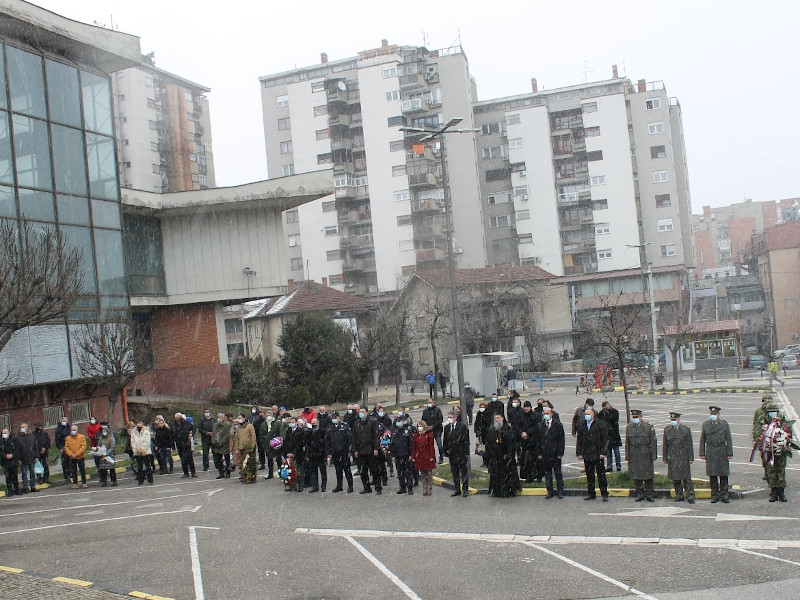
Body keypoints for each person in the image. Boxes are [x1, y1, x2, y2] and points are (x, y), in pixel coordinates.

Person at [757, 401, 792, 502]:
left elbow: (789, 434)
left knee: (781, 471)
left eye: (774, 412)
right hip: (769, 452)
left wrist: (786, 444)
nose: (773, 414)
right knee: (771, 471)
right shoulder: (763, 422)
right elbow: (758, 435)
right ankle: (773, 492)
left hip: (781, 452)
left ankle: (781, 492)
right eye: (770, 412)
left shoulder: (782, 421)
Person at [699, 405, 733, 504]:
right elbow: (702, 440)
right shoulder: (706, 425)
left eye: (715, 414)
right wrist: (702, 453)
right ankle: (715, 495)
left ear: (718, 414)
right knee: (712, 475)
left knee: (723, 475)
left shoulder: (724, 425)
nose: (713, 415)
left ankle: (724, 495)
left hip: (721, 451)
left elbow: (729, 439)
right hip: (710, 451)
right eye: (712, 414)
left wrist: (729, 452)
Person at [576, 407, 609, 501]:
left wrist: (603, 452)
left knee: (601, 475)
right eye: (585, 414)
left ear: (593, 414)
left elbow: (605, 439)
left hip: (598, 454)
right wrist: (579, 453)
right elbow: (579, 439)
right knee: (589, 475)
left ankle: (604, 493)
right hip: (587, 453)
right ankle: (591, 493)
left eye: (588, 414)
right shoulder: (582, 424)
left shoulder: (600, 424)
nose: (587, 416)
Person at [625, 409, 658, 502]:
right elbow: (627, 442)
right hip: (634, 453)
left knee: (648, 476)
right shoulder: (629, 427)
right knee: (636, 476)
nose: (635, 419)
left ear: (641, 417)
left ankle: (649, 494)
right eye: (634, 417)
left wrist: (654, 455)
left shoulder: (648, 427)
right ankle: (640, 494)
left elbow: (653, 442)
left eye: (637, 417)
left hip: (645, 453)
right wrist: (627, 455)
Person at [662, 411, 694, 503]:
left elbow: (690, 444)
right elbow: (665, 445)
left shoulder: (686, 430)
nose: (673, 421)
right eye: (672, 419)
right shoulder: (667, 430)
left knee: (686, 478)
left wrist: (691, 457)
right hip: (673, 457)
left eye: (675, 419)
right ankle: (679, 495)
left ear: (679, 419)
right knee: (675, 478)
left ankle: (690, 496)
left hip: (683, 456)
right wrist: (665, 457)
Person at [485, 414, 519, 497]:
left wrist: (503, 434)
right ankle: (497, 491)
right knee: (496, 474)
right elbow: (489, 442)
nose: (497, 420)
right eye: (495, 418)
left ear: (502, 419)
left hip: (505, 456)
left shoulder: (508, 428)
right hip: (495, 456)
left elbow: (511, 441)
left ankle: (507, 491)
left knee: (507, 474)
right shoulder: (491, 429)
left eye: (498, 418)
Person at [536, 406, 565, 499]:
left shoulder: (558, 425)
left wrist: (560, 453)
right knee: (547, 474)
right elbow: (538, 440)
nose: (546, 415)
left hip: (555, 454)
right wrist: (539, 453)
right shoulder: (540, 425)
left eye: (547, 413)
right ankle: (550, 491)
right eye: (544, 414)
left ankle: (560, 491)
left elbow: (561, 440)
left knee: (558, 473)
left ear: (551, 414)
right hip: (545, 454)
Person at [353, 407, 382, 495]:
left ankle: (378, 488)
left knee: (375, 470)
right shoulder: (356, 423)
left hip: (371, 450)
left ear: (366, 413)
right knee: (363, 471)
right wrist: (355, 450)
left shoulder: (372, 421)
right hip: (361, 451)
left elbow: (376, 436)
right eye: (360, 412)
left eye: (363, 412)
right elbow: (354, 438)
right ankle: (366, 487)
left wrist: (376, 448)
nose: (361, 413)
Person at [443, 410, 470, 497]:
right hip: (452, 454)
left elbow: (466, 440)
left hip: (461, 453)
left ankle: (465, 489)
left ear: (455, 418)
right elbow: (445, 441)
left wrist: (466, 452)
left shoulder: (462, 426)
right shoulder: (447, 428)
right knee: (455, 473)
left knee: (463, 472)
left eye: (450, 417)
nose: (449, 419)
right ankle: (457, 489)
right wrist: (445, 451)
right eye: (448, 417)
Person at [326, 411, 353, 493]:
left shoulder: (344, 426)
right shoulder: (330, 427)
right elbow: (327, 441)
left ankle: (350, 486)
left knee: (347, 469)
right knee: (338, 470)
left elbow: (350, 439)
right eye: (333, 418)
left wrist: (349, 450)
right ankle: (339, 486)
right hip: (335, 452)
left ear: (339, 418)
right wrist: (328, 452)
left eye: (336, 417)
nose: (334, 419)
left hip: (344, 451)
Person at [390, 412, 415, 495]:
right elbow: (392, 444)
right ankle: (402, 487)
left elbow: (411, 444)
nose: (398, 422)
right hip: (397, 455)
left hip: (406, 455)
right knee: (400, 473)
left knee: (408, 472)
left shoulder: (408, 431)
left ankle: (410, 488)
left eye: (399, 421)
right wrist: (392, 455)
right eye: (397, 421)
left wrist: (411, 454)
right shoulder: (394, 432)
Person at [412, 420, 436, 496]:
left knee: (428, 474)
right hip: (419, 456)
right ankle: (424, 489)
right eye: (418, 426)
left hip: (427, 456)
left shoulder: (429, 435)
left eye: (421, 426)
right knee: (422, 474)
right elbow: (414, 447)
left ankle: (429, 488)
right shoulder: (416, 436)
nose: (419, 428)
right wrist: (413, 456)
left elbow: (431, 446)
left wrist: (432, 456)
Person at [752, 394, 773, 481]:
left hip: (772, 437)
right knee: (764, 456)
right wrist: (756, 437)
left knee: (771, 455)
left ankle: (771, 472)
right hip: (762, 437)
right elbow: (756, 424)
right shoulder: (758, 411)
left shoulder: (774, 411)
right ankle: (767, 472)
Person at [233, 413, 257, 484]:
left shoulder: (250, 426)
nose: (239, 420)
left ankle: (251, 477)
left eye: (240, 418)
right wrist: (237, 448)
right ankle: (244, 476)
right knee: (242, 463)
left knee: (249, 463)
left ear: (244, 418)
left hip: (248, 448)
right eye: (238, 418)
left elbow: (253, 437)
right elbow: (237, 438)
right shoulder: (238, 428)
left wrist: (252, 446)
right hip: (241, 448)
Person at [283, 417, 306, 492]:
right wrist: (287, 452)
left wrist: (294, 453)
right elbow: (286, 442)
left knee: (299, 470)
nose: (291, 424)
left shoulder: (300, 431)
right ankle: (291, 484)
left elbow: (300, 444)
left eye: (293, 422)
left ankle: (300, 485)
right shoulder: (289, 431)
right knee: (290, 469)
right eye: (290, 422)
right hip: (289, 453)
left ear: (296, 422)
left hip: (298, 454)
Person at [598, 401, 622, 472]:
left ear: (608, 405)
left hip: (614, 435)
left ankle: (618, 466)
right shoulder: (601, 413)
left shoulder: (615, 411)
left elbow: (615, 420)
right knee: (608, 452)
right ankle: (609, 466)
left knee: (616, 451)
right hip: (606, 435)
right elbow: (600, 422)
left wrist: (608, 414)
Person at [518, 400, 539, 482]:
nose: (526, 408)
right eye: (525, 407)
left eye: (527, 407)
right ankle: (525, 475)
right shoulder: (521, 415)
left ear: (530, 407)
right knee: (524, 459)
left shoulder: (535, 416)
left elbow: (536, 427)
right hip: (524, 441)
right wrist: (522, 433)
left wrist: (527, 433)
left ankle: (532, 476)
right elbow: (518, 426)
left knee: (532, 460)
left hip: (532, 441)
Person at [171, 412, 196, 478]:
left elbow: (193, 428)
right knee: (183, 459)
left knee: (190, 458)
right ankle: (185, 473)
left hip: (187, 442)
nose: (179, 419)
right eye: (178, 418)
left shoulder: (186, 423)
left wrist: (191, 434)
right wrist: (173, 445)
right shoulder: (173, 425)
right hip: (179, 443)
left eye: (180, 417)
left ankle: (193, 472)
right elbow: (171, 435)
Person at [129, 421, 153, 485]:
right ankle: (140, 480)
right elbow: (132, 442)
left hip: (146, 452)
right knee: (139, 467)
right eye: (138, 425)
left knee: (147, 466)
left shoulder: (146, 432)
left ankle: (150, 480)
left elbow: (147, 442)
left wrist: (142, 449)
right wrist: (136, 449)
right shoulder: (134, 433)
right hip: (137, 453)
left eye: (140, 425)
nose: (139, 426)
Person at [16, 423, 38, 493]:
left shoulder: (32, 436)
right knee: (24, 473)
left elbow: (36, 447)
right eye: (21, 427)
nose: (22, 428)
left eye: (23, 427)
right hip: (23, 458)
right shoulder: (18, 437)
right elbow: (17, 449)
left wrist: (36, 456)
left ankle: (33, 486)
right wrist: (18, 459)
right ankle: (25, 487)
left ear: (27, 428)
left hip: (31, 457)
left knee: (32, 472)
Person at [307, 417, 327, 492]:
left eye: (314, 423)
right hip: (312, 455)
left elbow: (325, 443)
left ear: (318, 423)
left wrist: (325, 454)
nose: (313, 425)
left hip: (320, 454)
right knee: (313, 471)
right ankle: (315, 486)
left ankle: (323, 486)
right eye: (312, 423)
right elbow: (307, 443)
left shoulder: (322, 431)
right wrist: (308, 454)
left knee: (323, 471)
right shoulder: (309, 432)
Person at [64, 425, 88, 489]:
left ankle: (84, 482)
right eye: (71, 430)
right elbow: (66, 447)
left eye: (74, 430)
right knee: (73, 470)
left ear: (77, 430)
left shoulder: (81, 437)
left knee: (82, 470)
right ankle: (75, 483)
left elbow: (83, 446)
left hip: (80, 457)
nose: (72, 431)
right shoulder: (68, 438)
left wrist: (77, 454)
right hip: (72, 457)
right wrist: (71, 454)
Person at [422, 398, 444, 464]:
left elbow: (440, 420)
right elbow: (423, 421)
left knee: (439, 445)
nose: (429, 404)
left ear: (434, 403)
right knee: (430, 446)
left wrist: (433, 426)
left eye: (430, 402)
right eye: (428, 402)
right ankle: (433, 458)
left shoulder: (437, 410)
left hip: (437, 430)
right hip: (428, 430)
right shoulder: (425, 411)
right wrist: (426, 427)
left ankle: (441, 457)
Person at [0, 427, 21, 496]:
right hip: (5, 462)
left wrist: (13, 455)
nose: (4, 434)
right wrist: (4, 455)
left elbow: (17, 449)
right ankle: (10, 490)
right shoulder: (1, 441)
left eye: (5, 433)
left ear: (9, 433)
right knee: (7, 477)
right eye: (3, 433)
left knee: (15, 476)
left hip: (13, 461)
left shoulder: (13, 440)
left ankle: (17, 489)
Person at [212, 413, 232, 479]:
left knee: (227, 460)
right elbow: (213, 434)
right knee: (218, 460)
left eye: (220, 417)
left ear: (223, 418)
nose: (219, 419)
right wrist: (214, 442)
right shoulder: (215, 425)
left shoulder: (228, 425)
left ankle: (227, 472)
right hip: (217, 445)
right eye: (218, 417)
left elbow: (227, 435)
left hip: (225, 445)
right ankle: (221, 473)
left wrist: (221, 442)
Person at [54, 416, 71, 482]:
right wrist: (60, 447)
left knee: (71, 461)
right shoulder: (58, 429)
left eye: (65, 421)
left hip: (70, 447)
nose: (64, 422)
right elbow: (57, 440)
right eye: (62, 421)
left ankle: (71, 473)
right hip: (63, 447)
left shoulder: (69, 428)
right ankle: (66, 474)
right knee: (64, 461)